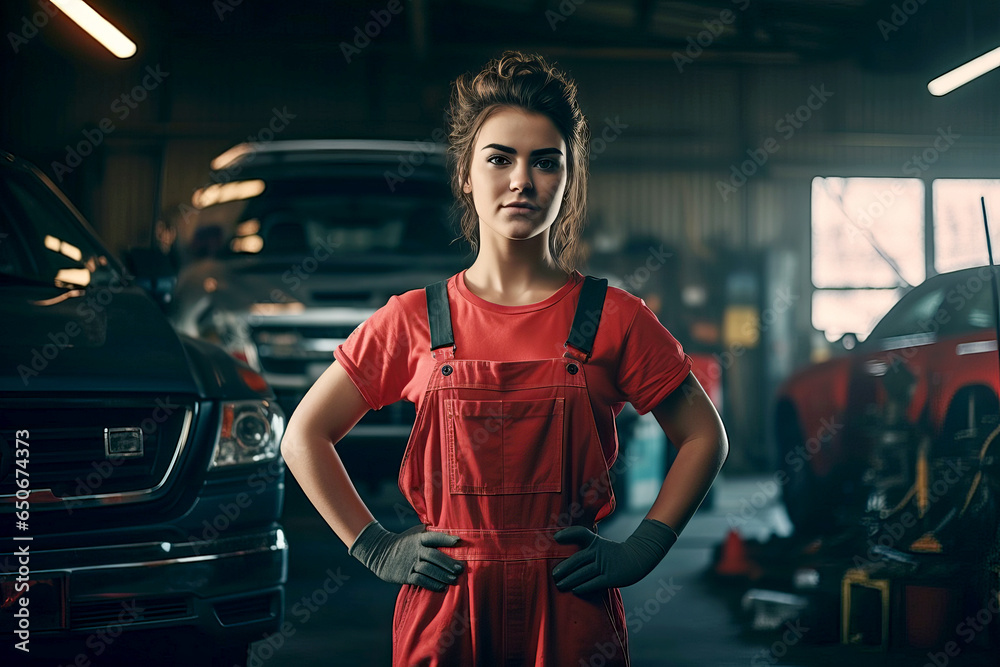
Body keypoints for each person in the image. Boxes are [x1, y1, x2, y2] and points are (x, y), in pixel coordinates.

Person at [280, 50, 729, 666]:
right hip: (446, 608)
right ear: (466, 173)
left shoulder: (616, 317)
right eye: (500, 158)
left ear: (568, 178)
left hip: (570, 607)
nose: (522, 180)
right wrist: (374, 547)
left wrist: (641, 548)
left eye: (546, 162)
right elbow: (303, 435)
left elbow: (705, 436)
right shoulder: (413, 319)